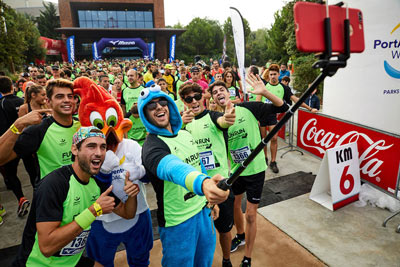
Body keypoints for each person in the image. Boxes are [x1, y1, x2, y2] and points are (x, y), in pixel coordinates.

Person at [12, 126, 139, 266]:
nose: (99, 153)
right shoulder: (54, 184)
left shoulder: (96, 183)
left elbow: (128, 213)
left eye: (103, 147)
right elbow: (47, 248)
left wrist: (131, 194)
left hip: (71, 261)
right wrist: (93, 211)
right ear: (75, 150)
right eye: (91, 146)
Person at [138, 84, 229, 266]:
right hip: (177, 223)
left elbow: (199, 166)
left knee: (205, 262)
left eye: (162, 101)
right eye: (151, 106)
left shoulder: (185, 134)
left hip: (204, 213)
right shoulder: (151, 147)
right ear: (145, 114)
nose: (158, 107)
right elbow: (173, 168)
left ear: (169, 105)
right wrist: (203, 184)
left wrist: (208, 199)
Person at [210, 75, 289, 267]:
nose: (219, 93)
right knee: (236, 206)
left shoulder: (248, 108)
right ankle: (241, 235)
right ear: (213, 100)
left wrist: (265, 92)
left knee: (251, 214)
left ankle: (248, 257)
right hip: (235, 173)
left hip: (255, 170)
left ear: (229, 93)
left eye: (222, 90)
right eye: (214, 92)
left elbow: (283, 108)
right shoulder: (216, 121)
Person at [180, 82, 236, 267]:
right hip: (196, 187)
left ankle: (226, 259)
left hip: (220, 185)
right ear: (183, 101)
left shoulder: (213, 117)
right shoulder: (181, 125)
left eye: (197, 96)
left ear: (203, 96)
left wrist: (227, 118)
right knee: (200, 232)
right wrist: (179, 126)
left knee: (224, 229)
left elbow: (223, 121)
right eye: (189, 99)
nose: (194, 101)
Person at [0, 78, 80, 181]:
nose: (67, 100)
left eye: (70, 96)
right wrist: (18, 124)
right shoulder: (38, 129)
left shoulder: (82, 126)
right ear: (48, 101)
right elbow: (2, 158)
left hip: (83, 192)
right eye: (59, 96)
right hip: (53, 193)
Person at [257, 64, 317, 173]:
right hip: (262, 115)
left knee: (274, 138)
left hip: (272, 116)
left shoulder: (284, 88)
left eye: (275, 74)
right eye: (271, 74)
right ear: (268, 75)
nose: (273, 76)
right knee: (263, 140)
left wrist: (310, 108)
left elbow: (296, 100)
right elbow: (257, 102)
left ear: (279, 74)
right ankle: (264, 158)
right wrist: (255, 116)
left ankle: (273, 162)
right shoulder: (264, 85)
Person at [0, 76, 30, 217]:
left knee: (11, 174)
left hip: (11, 143)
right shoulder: (22, 102)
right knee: (32, 170)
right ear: (12, 87)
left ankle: (21, 198)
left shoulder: (2, 104)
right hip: (26, 140)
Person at [121, 69, 147, 146]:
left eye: (131, 75)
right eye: (128, 76)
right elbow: (123, 107)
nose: (129, 78)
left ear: (137, 76)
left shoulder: (143, 89)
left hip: (142, 120)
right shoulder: (124, 91)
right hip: (130, 122)